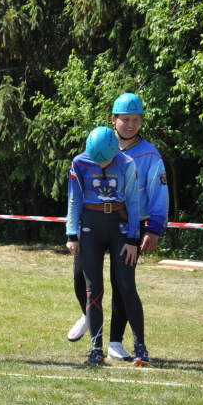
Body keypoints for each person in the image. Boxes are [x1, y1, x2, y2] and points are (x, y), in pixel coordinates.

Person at [66, 93, 168, 361]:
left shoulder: (148, 154)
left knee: (122, 284)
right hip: (92, 223)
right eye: (125, 119)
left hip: (129, 223)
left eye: (136, 119)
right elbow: (75, 196)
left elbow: (157, 193)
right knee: (82, 278)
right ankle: (89, 318)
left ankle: (115, 342)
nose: (131, 124)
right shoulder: (95, 146)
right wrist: (71, 232)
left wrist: (152, 229)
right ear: (114, 120)